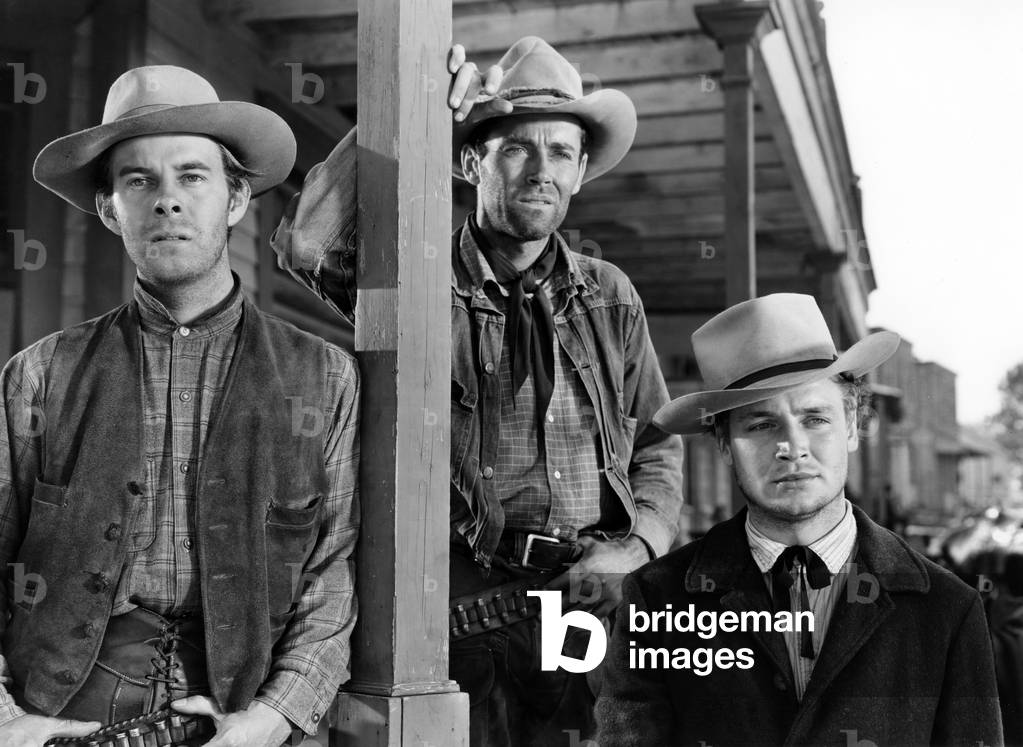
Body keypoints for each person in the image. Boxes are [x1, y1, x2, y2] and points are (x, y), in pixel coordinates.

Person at [272, 36, 684, 747]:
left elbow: (656, 443)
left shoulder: (610, 294)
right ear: (470, 161)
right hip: (462, 605)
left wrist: (637, 548)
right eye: (516, 148)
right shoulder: (414, 278)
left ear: (581, 171)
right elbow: (305, 245)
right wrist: (403, 105)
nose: (540, 171)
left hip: (586, 596)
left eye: (560, 152)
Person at [594, 293, 1004, 746]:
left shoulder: (948, 609)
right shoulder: (655, 599)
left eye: (815, 418)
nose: (793, 446)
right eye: (761, 425)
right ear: (724, 443)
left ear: (850, 425)